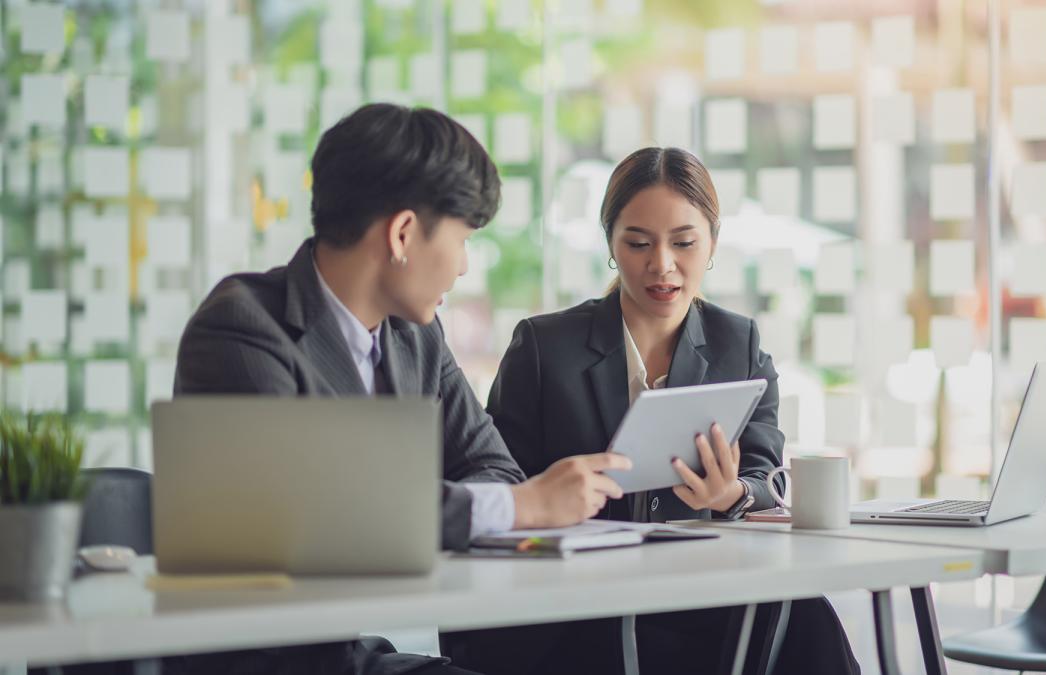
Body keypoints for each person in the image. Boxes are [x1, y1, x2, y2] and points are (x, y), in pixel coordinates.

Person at [167, 103, 631, 675]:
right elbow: (323, 517)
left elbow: (491, 468)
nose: (463, 267)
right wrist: (522, 506)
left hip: (346, 656)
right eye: (462, 240)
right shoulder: (241, 329)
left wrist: (504, 501)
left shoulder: (414, 335)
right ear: (403, 234)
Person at [443, 147, 860, 674]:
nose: (661, 265)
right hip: (580, 600)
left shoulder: (739, 344)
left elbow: (764, 476)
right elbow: (498, 481)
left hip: (698, 589)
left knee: (807, 617)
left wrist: (729, 493)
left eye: (683, 243)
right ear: (612, 247)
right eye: (638, 243)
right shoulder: (547, 347)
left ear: (711, 243)